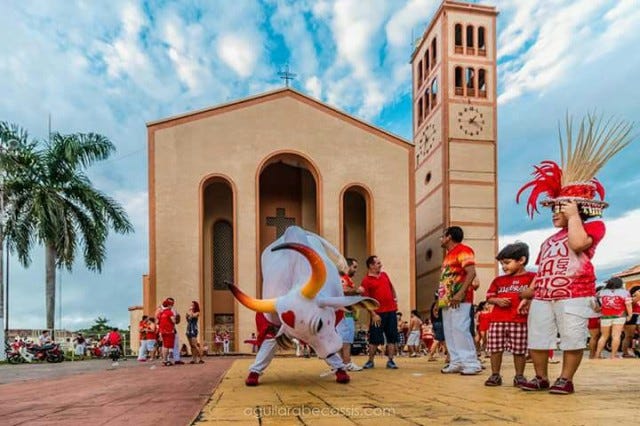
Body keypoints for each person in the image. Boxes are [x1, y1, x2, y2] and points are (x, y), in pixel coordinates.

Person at [516, 112, 633, 394]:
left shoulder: (594, 226)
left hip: (574, 294)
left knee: (572, 337)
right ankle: (541, 376)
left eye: (561, 207)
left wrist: (573, 217)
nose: (555, 213)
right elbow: (543, 267)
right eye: (556, 208)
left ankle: (565, 379)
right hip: (544, 295)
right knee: (538, 337)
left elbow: (579, 244)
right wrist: (530, 293)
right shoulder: (548, 239)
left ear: (576, 207)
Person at [483, 242, 536, 387]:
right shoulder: (498, 280)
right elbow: (489, 297)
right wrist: (497, 301)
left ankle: (519, 376)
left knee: (519, 350)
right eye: (502, 264)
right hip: (497, 321)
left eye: (507, 263)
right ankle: (495, 375)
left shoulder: (532, 278)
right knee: (495, 349)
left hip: (520, 320)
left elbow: (537, 293)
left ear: (521, 260)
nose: (504, 267)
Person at [438, 226, 482, 375]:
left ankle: (471, 363)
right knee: (450, 331)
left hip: (459, 299)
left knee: (460, 329)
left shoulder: (464, 250)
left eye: (442, 236)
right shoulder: (449, 255)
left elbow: (471, 272)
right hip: (447, 299)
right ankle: (456, 361)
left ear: (449, 237)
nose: (441, 239)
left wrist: (461, 293)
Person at [360, 255, 400, 369]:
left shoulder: (384, 275)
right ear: (371, 266)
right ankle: (370, 361)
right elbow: (366, 301)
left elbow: (392, 288)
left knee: (392, 337)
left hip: (391, 311)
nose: (380, 265)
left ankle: (391, 361)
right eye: (378, 263)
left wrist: (395, 301)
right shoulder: (366, 281)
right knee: (374, 338)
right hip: (378, 314)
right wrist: (373, 314)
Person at [594, 277, 632, 359]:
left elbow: (595, 302)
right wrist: (630, 315)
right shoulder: (625, 292)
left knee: (603, 336)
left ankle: (597, 355)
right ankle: (613, 356)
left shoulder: (601, 292)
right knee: (616, 336)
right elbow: (628, 304)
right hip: (619, 316)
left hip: (605, 316)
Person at [335, 257, 363, 371]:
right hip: (344, 313)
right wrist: (356, 291)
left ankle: (341, 364)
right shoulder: (342, 278)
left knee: (345, 339)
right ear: (347, 266)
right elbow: (343, 291)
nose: (355, 270)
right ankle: (346, 362)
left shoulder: (346, 278)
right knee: (345, 340)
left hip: (347, 313)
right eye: (354, 267)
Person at [621, 286, 640, 358]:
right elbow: (635, 300)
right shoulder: (630, 299)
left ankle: (636, 349)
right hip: (631, 317)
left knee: (635, 336)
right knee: (629, 336)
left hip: (637, 316)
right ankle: (625, 353)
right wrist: (637, 294)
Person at [157, 298, 176, 366]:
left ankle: (164, 360)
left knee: (164, 346)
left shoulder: (162, 313)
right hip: (169, 331)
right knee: (167, 347)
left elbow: (158, 322)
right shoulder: (169, 312)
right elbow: (174, 321)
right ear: (169, 305)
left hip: (162, 331)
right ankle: (165, 360)